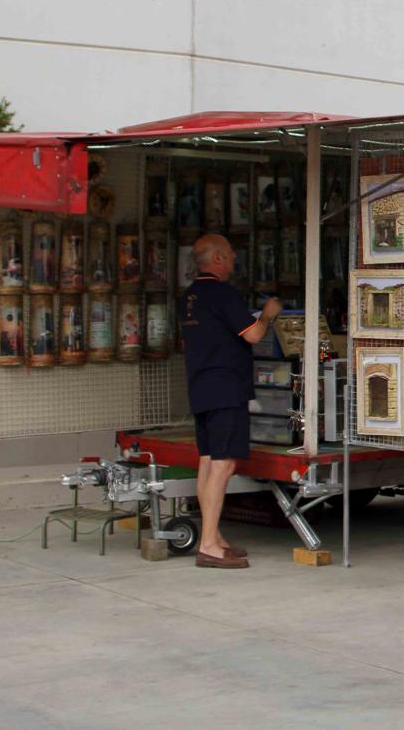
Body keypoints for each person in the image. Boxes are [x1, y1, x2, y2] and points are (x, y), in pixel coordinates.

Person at [180, 234, 282, 569]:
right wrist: (267, 314)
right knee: (224, 465)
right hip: (226, 388)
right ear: (219, 258)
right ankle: (209, 544)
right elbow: (253, 334)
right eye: (232, 254)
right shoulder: (222, 293)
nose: (236, 258)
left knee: (209, 462)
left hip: (201, 386)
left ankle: (215, 536)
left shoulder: (189, 296)